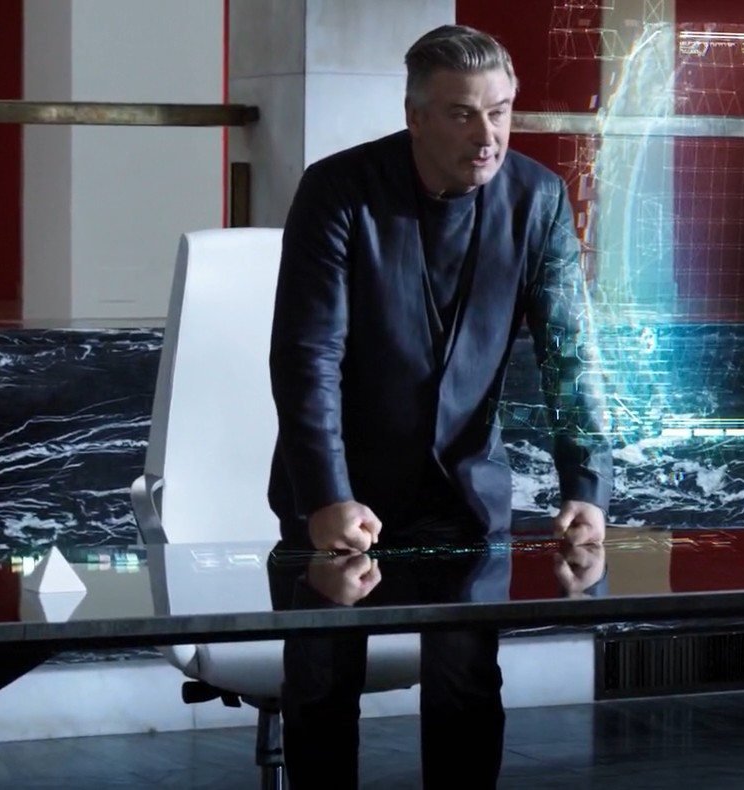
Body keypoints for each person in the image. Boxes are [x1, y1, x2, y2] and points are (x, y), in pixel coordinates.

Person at [265, 24, 613, 788]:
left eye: (501, 111)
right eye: (462, 114)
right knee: (320, 690)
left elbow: (568, 356)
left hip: (463, 494)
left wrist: (586, 486)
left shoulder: (538, 199)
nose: (488, 136)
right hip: (337, 489)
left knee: (466, 689)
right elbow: (306, 358)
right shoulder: (338, 190)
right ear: (415, 116)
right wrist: (326, 497)